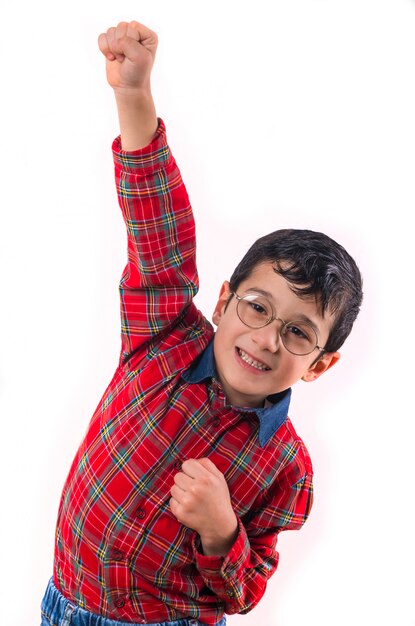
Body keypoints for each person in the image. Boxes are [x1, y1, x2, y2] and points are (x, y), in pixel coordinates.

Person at [40, 20, 363, 626]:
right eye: (257, 307)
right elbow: (155, 223)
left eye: (298, 333)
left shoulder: (285, 468)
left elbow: (244, 590)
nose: (266, 337)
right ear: (222, 302)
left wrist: (222, 531)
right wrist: (132, 94)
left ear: (320, 364)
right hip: (61, 599)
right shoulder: (161, 335)